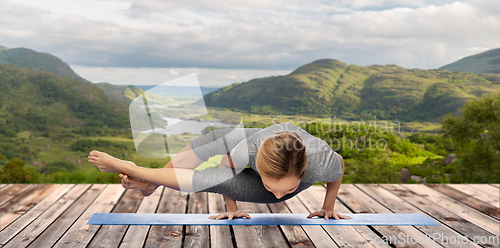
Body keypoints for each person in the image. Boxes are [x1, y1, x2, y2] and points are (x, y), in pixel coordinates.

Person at [88, 123, 351, 220]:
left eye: (290, 188)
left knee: (204, 181)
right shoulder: (244, 152)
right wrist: (232, 207)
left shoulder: (320, 161)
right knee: (211, 142)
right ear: (257, 167)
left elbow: (338, 168)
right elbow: (226, 173)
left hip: (275, 145)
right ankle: (149, 183)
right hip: (251, 140)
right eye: (272, 185)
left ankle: (138, 173)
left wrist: (328, 206)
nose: (282, 194)